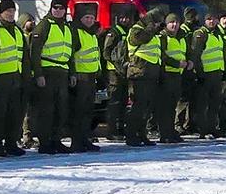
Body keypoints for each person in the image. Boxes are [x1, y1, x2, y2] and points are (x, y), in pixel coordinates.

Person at [29, 0, 75, 153]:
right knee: (47, 110)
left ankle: (56, 140)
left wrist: (72, 72)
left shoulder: (67, 27)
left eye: (61, 8)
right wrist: (38, 74)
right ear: (51, 9)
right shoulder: (45, 25)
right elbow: (34, 51)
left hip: (62, 72)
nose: (58, 10)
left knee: (61, 110)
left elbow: (71, 52)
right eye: (55, 8)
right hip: (47, 71)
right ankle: (45, 142)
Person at [0, 0, 28, 156]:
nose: (10, 14)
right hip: (0, 78)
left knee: (14, 113)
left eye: (12, 11)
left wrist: (25, 76)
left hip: (16, 77)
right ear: (1, 12)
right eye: (7, 11)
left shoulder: (17, 30)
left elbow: (24, 55)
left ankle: (11, 143)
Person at [123, 9, 165, 146]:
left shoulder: (153, 33)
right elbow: (140, 39)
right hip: (139, 73)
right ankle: (131, 135)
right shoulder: (136, 30)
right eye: (156, 21)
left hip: (151, 73)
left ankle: (142, 134)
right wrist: (151, 26)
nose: (157, 24)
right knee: (137, 106)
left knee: (146, 107)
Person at [69, 8, 105, 152]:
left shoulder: (92, 34)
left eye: (91, 18)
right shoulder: (76, 32)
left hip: (91, 77)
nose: (89, 20)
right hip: (80, 76)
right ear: (80, 19)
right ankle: (77, 141)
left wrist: (99, 73)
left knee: (88, 111)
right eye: (86, 18)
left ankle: (85, 139)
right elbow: (71, 54)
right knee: (79, 111)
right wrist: (72, 73)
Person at [101, 8, 135, 141]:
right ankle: (112, 131)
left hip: (125, 72)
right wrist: (116, 65)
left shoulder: (128, 31)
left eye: (127, 18)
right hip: (114, 73)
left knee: (122, 102)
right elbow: (106, 52)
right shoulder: (113, 32)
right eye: (122, 18)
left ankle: (121, 128)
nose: (125, 20)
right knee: (114, 102)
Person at [157, 11, 188, 141]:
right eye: (171, 22)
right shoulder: (163, 37)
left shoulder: (181, 37)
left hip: (177, 75)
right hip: (166, 74)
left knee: (173, 106)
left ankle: (170, 131)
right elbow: (162, 55)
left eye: (176, 22)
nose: (174, 25)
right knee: (165, 106)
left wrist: (189, 62)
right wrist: (176, 64)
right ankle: (165, 133)